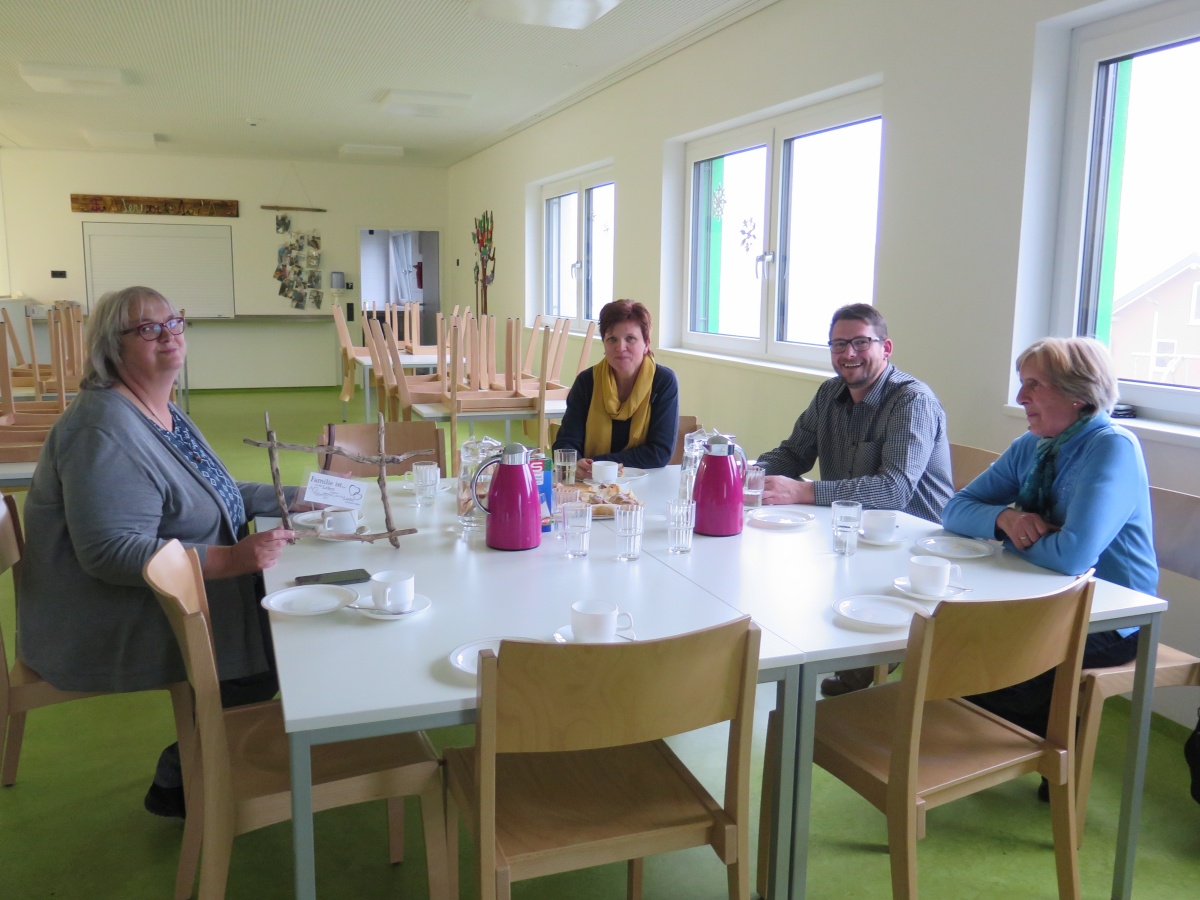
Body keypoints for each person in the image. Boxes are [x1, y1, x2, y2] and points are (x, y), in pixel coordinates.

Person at [17, 286, 298, 818]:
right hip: (102, 614)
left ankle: (212, 755)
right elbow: (111, 552)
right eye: (148, 329)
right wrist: (234, 560)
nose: (169, 335)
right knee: (282, 644)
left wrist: (301, 500)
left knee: (286, 621)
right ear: (111, 348)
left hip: (157, 587)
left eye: (174, 322)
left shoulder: (158, 407)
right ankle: (186, 775)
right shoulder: (102, 428)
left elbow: (220, 490)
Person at [943, 337, 1156, 789]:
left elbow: (1072, 558)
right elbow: (954, 510)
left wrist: (1008, 538)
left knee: (987, 668)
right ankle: (1032, 747)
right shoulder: (1033, 445)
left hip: (1113, 615)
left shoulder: (1112, 447)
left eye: (1033, 386)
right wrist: (1005, 518)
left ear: (1077, 392)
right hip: (1039, 593)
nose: (1021, 398)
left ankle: (1053, 762)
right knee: (958, 649)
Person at [755, 303, 953, 697]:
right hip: (850, 532)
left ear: (886, 347)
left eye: (861, 342)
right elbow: (794, 453)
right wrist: (749, 474)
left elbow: (893, 492)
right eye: (838, 344)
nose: (848, 354)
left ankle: (864, 659)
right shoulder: (830, 393)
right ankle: (843, 658)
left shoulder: (911, 401)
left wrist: (805, 490)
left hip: (915, 543)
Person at [553, 299, 679, 479]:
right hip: (590, 485)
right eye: (612, 339)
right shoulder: (586, 381)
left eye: (630, 338)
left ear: (646, 343)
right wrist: (577, 463)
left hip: (645, 482)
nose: (620, 348)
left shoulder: (663, 381)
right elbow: (565, 444)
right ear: (604, 343)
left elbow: (659, 453)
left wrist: (599, 464)